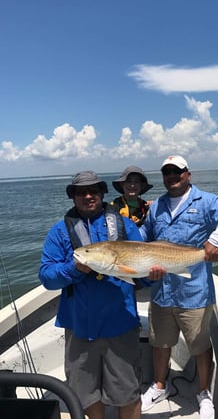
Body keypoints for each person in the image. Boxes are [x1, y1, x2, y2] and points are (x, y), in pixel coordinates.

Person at [140, 156, 218, 419]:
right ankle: (159, 385)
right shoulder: (157, 206)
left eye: (177, 172)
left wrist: (217, 240)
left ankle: (204, 392)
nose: (172, 176)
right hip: (162, 289)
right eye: (167, 173)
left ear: (188, 174)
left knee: (199, 344)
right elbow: (143, 238)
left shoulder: (206, 201)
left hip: (194, 290)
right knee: (160, 343)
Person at [39, 171, 143, 419]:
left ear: (102, 193)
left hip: (121, 323)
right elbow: (47, 276)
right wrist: (73, 268)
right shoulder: (59, 231)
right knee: (85, 395)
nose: (88, 196)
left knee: (127, 394)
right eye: (81, 192)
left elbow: (143, 269)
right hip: (80, 326)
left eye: (94, 191)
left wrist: (155, 273)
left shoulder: (125, 225)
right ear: (73, 197)